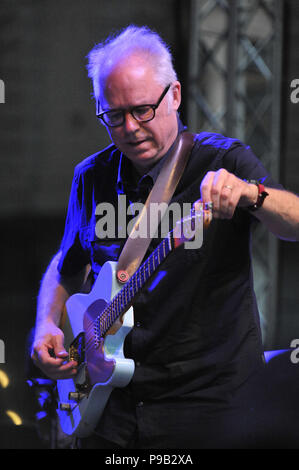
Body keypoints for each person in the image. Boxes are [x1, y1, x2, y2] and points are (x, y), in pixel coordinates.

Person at [31, 25, 299, 449]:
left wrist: (254, 195)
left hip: (209, 409)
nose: (129, 128)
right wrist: (46, 323)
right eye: (113, 116)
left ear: (173, 95)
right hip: (112, 413)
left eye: (142, 110)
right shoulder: (90, 177)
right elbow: (67, 262)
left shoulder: (221, 159)